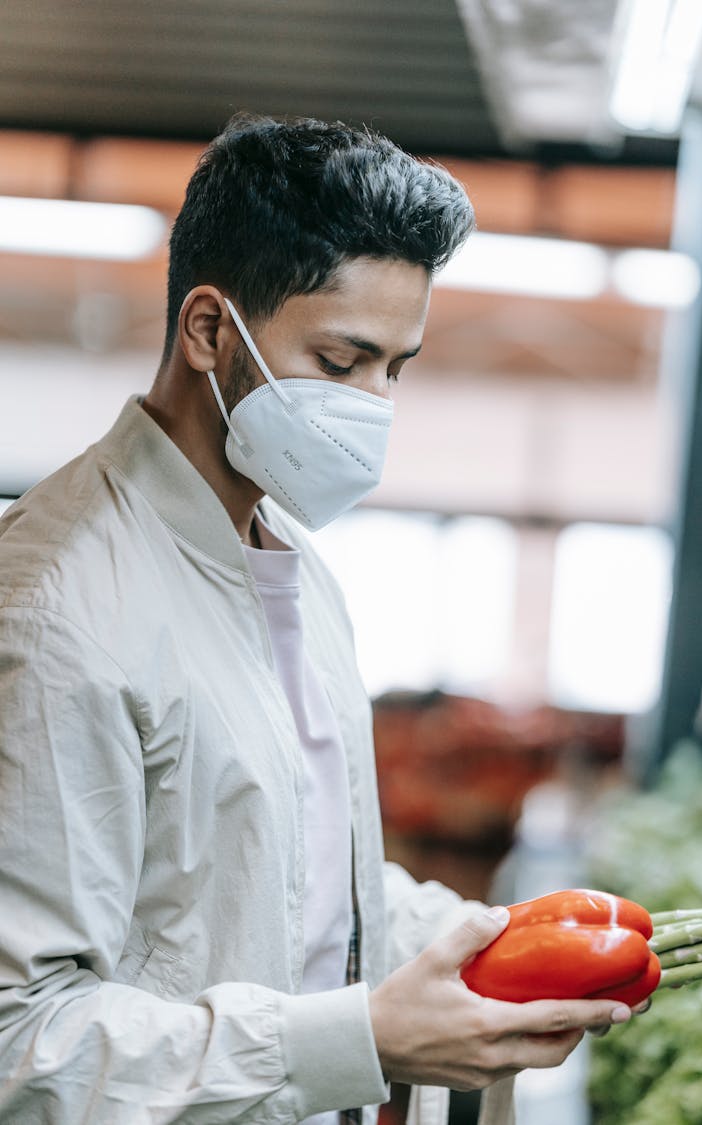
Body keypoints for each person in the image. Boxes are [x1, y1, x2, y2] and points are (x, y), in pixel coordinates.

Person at [0, 114, 634, 1125]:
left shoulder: (288, 559)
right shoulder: (55, 608)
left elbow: (284, 873)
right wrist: (360, 1041)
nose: (376, 404)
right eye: (343, 363)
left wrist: (496, 938)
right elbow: (21, 1042)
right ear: (209, 329)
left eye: (400, 366)